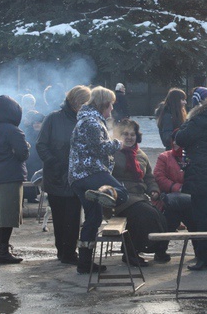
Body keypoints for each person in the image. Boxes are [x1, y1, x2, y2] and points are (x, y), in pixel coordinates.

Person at [68, 86, 129, 275]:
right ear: (103, 104)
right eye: (111, 105)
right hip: (90, 172)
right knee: (122, 193)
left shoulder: (86, 120)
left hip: (78, 177)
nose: (112, 109)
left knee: (93, 219)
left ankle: (84, 262)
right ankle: (105, 193)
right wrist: (117, 144)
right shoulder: (92, 122)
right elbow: (99, 148)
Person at [36, 85, 91, 265]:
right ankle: (62, 250)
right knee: (59, 217)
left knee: (73, 218)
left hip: (75, 177)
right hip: (56, 176)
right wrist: (53, 162)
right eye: (83, 102)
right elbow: (41, 145)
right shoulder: (53, 118)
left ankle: (69, 252)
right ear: (74, 101)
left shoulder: (85, 121)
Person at [175, 87, 207, 270]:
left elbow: (180, 138)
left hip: (201, 172)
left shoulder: (198, 120)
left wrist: (188, 120)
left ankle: (205, 258)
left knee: (202, 215)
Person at [111, 119, 170, 266]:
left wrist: (154, 190)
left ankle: (159, 250)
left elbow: (149, 177)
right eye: (125, 134)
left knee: (161, 217)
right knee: (145, 215)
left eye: (132, 134)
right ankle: (131, 253)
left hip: (139, 197)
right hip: (121, 198)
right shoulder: (112, 153)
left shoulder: (140, 154)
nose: (129, 137)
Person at [0, 95, 30, 264]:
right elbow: (23, 154)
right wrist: (26, 146)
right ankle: (3, 252)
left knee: (0, 215)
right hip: (11, 176)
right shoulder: (13, 131)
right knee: (8, 216)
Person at [154, 135, 196, 233]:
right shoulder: (164, 157)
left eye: (178, 141)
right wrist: (178, 188)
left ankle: (198, 241)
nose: (174, 143)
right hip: (168, 200)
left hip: (189, 200)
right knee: (169, 221)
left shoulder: (193, 158)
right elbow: (159, 177)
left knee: (195, 224)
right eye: (173, 140)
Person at [23, 110, 45, 203]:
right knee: (31, 175)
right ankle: (31, 196)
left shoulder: (45, 132)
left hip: (41, 158)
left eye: (38, 123)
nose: (36, 125)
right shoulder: (29, 132)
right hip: (31, 158)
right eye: (35, 123)